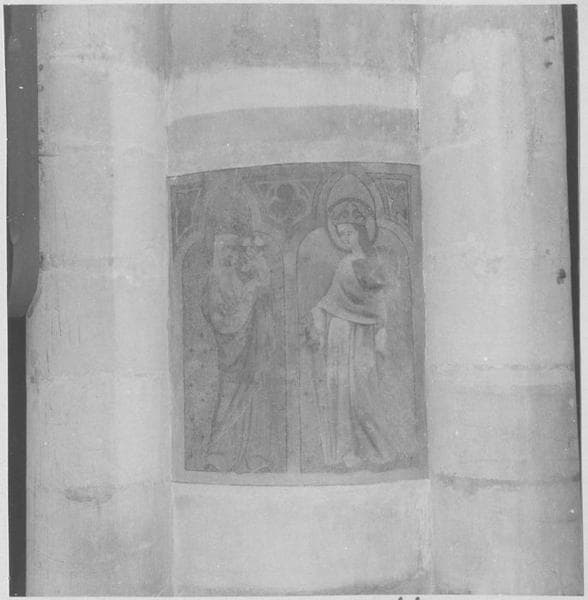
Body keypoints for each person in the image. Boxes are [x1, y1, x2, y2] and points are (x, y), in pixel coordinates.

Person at [306, 199, 396, 469]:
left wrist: (381, 330)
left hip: (363, 335)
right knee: (340, 392)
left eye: (349, 232)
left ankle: (380, 452)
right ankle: (346, 453)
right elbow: (329, 300)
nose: (345, 238)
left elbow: (379, 302)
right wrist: (317, 322)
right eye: (341, 234)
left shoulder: (372, 263)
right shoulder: (344, 264)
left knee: (362, 392)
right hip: (340, 332)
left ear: (361, 231)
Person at [201, 233, 274, 473]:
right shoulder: (215, 280)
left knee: (254, 398)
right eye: (227, 250)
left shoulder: (242, 277)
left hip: (251, 350)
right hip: (231, 353)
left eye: (235, 250)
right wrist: (251, 293)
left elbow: (260, 303)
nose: (232, 255)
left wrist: (257, 285)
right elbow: (220, 319)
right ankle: (219, 456)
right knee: (228, 399)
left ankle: (255, 458)